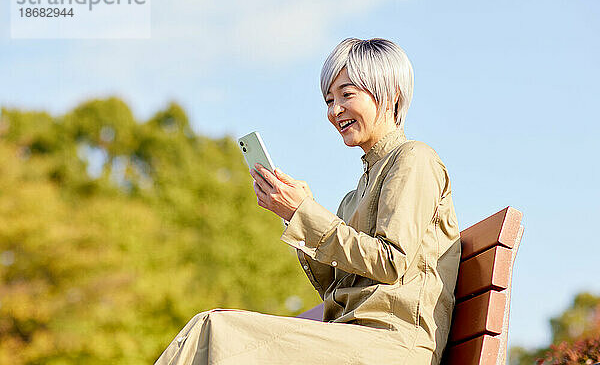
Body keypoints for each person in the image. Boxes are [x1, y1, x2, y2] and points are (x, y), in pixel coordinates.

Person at [155, 38, 460, 365]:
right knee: (206, 330)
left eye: (346, 95)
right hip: (351, 339)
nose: (334, 110)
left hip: (393, 346)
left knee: (214, 329)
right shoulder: (353, 198)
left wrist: (305, 213)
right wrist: (294, 215)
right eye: (329, 100)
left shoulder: (414, 159)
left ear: (391, 94)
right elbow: (334, 288)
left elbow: (390, 261)